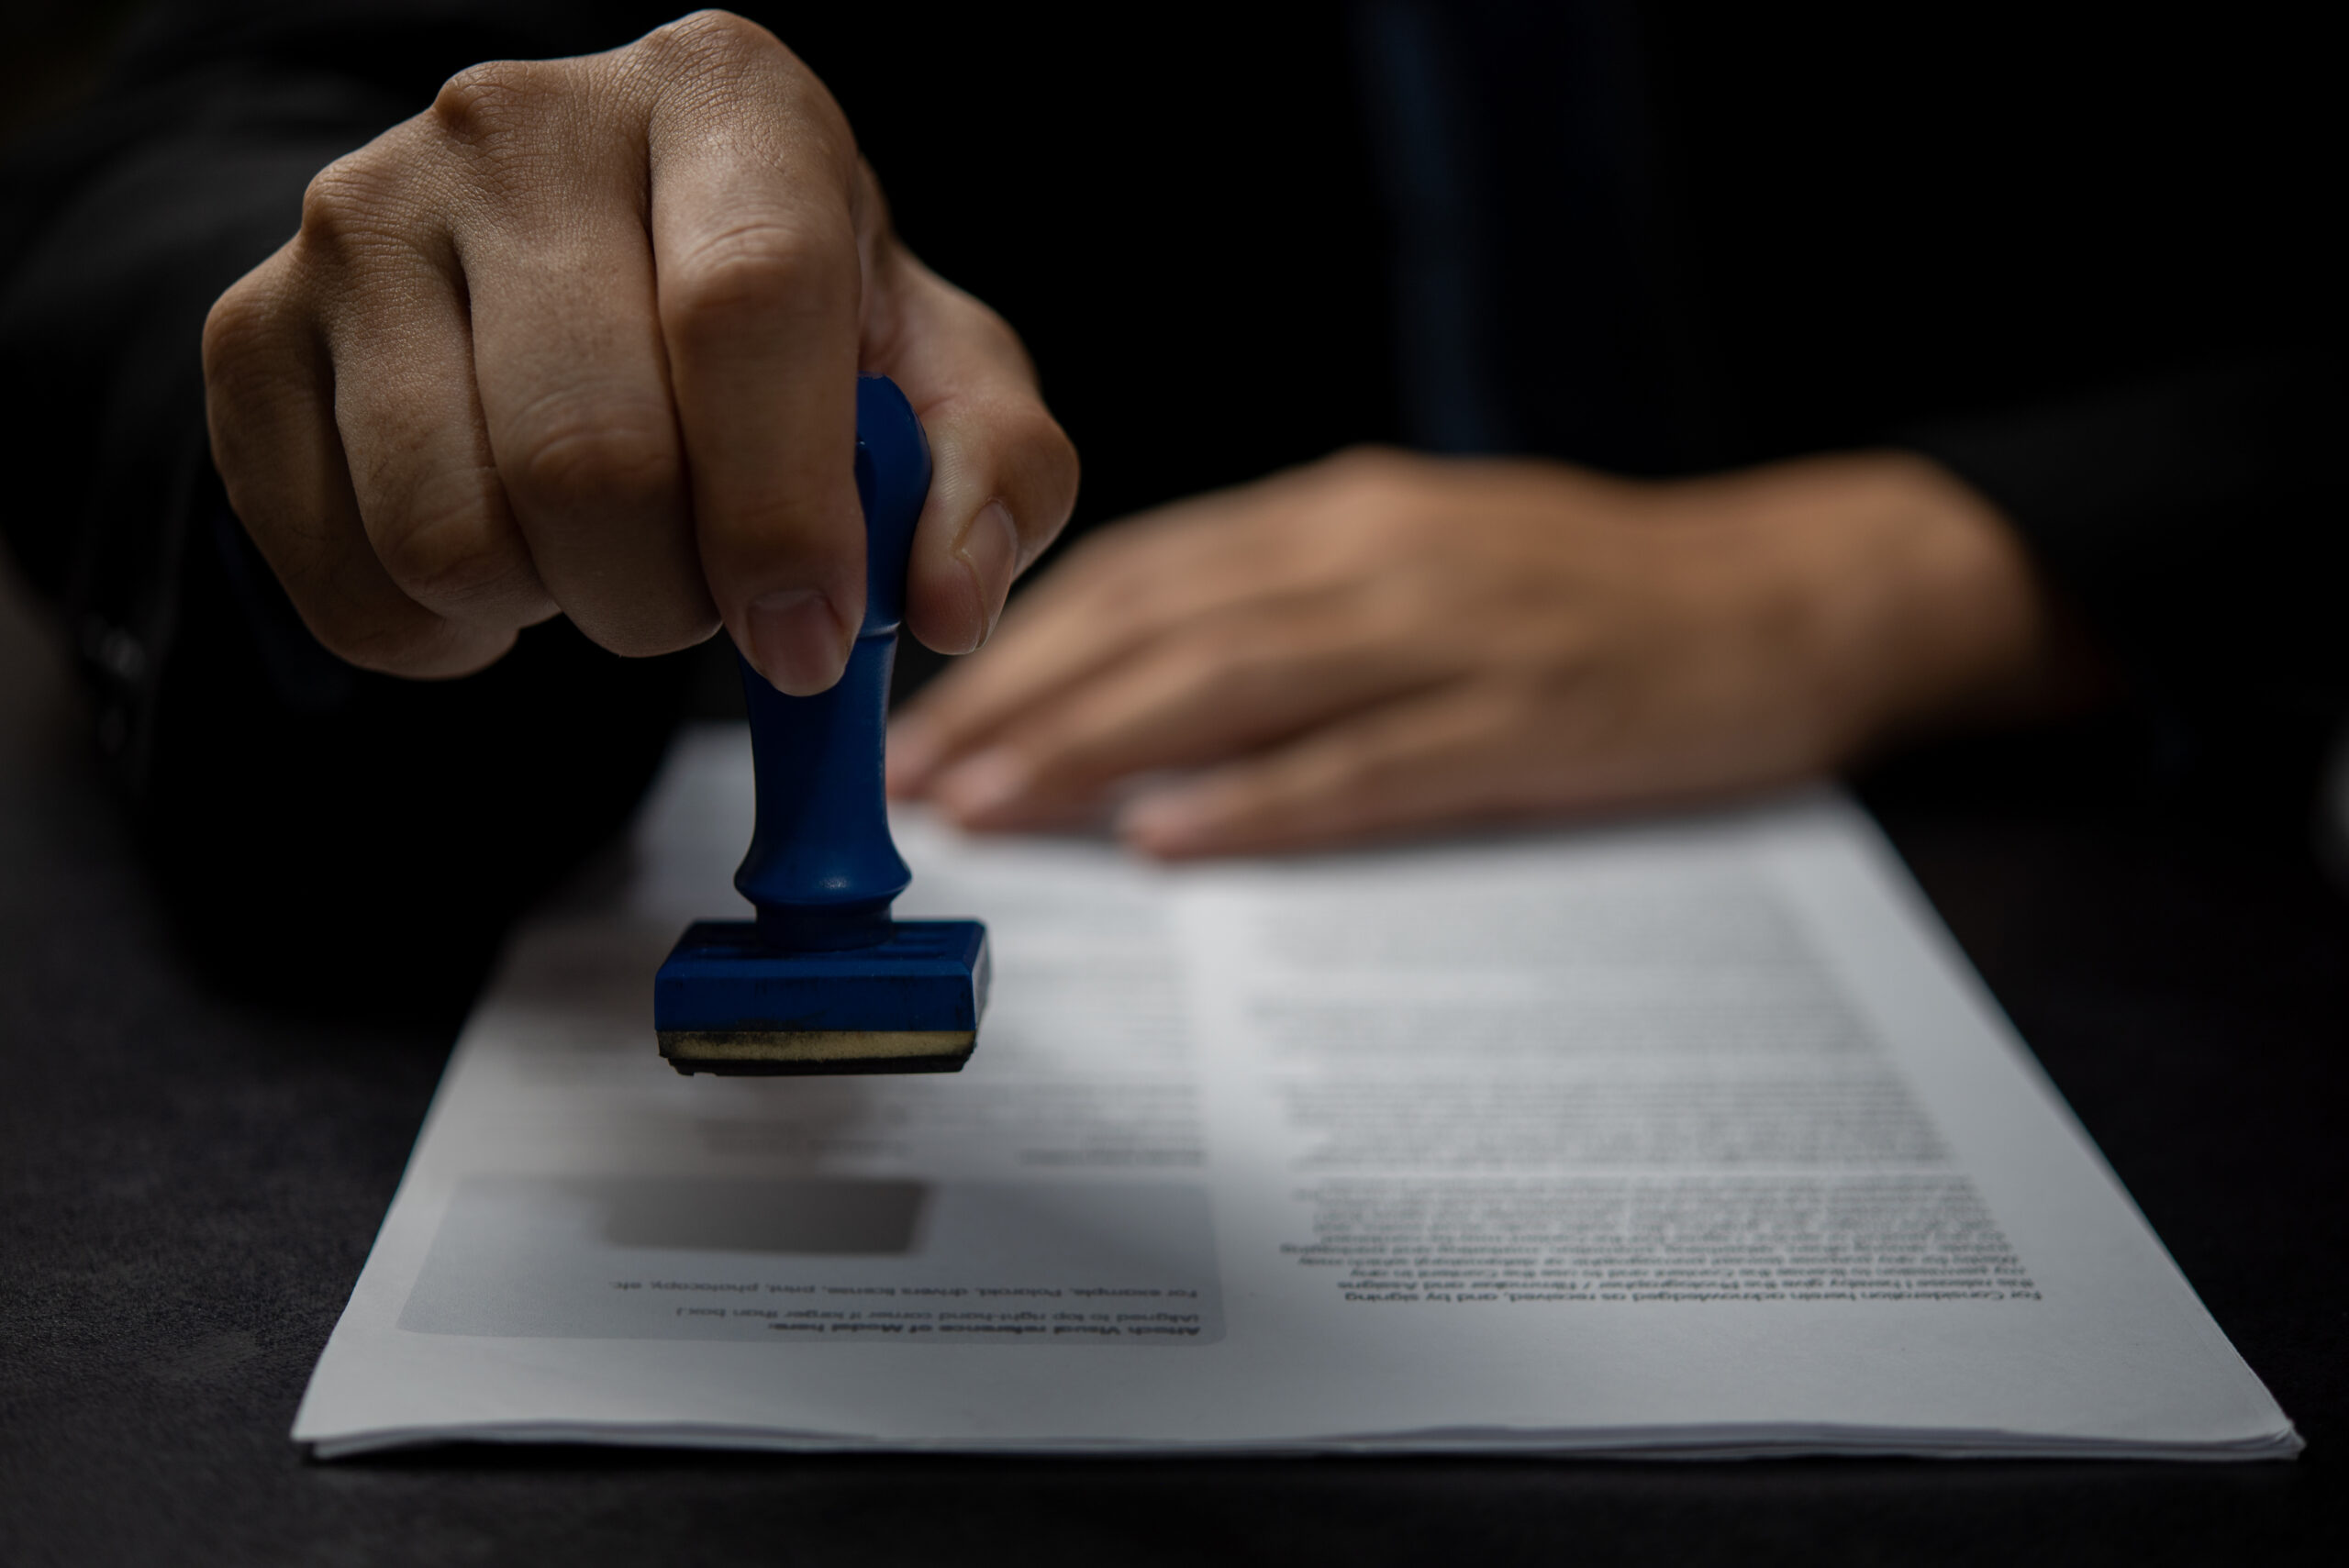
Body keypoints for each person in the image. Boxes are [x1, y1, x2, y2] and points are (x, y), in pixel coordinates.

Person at [1, 2, 2339, 993]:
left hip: (2127, 859)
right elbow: (164, 168)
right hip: (1024, 821)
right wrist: (388, 402)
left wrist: (1946, 551)